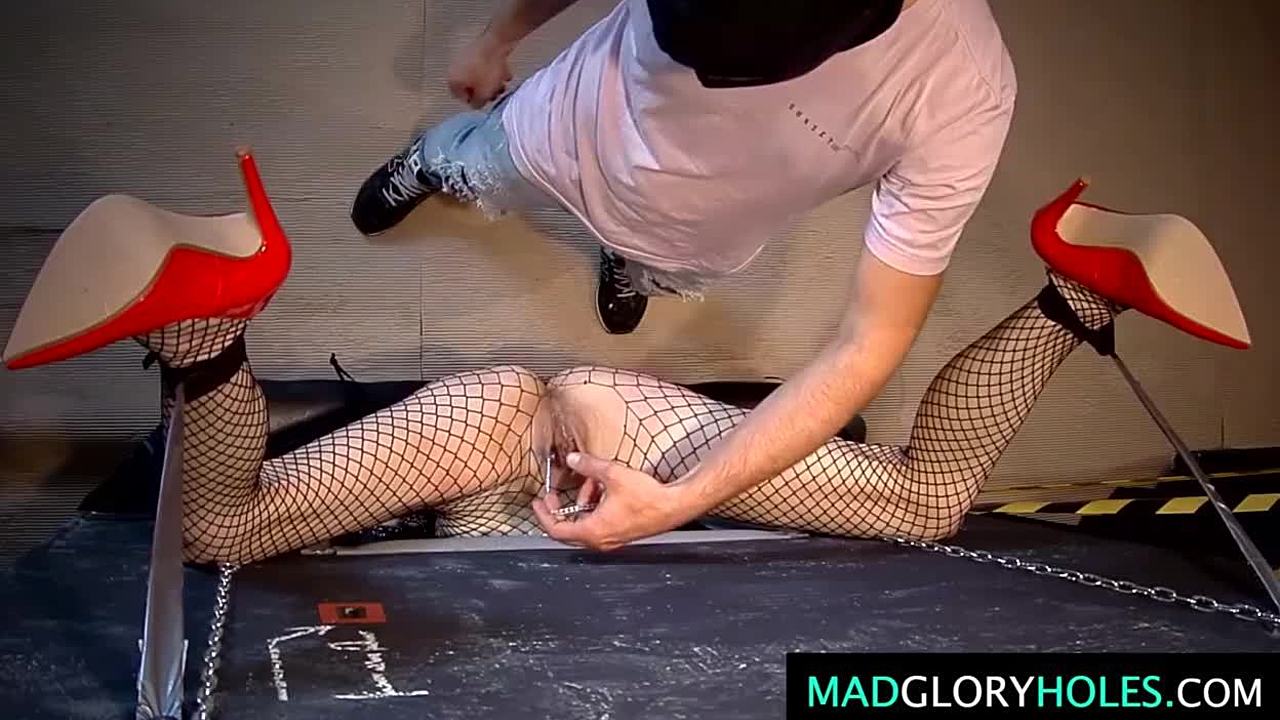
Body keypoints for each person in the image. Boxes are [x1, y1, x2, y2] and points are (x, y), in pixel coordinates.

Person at [5, 159, 1250, 563]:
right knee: (928, 499)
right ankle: (1073, 290)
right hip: (604, 425)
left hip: (502, 427)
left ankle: (202, 326)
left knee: (222, 528)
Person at [350, 0, 1017, 551]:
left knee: (654, 272)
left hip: (697, 238)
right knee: (479, 159)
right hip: (557, 132)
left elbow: (870, 341)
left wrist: (681, 500)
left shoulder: (962, 94)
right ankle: (432, 160)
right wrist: (497, 38)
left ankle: (628, 265)